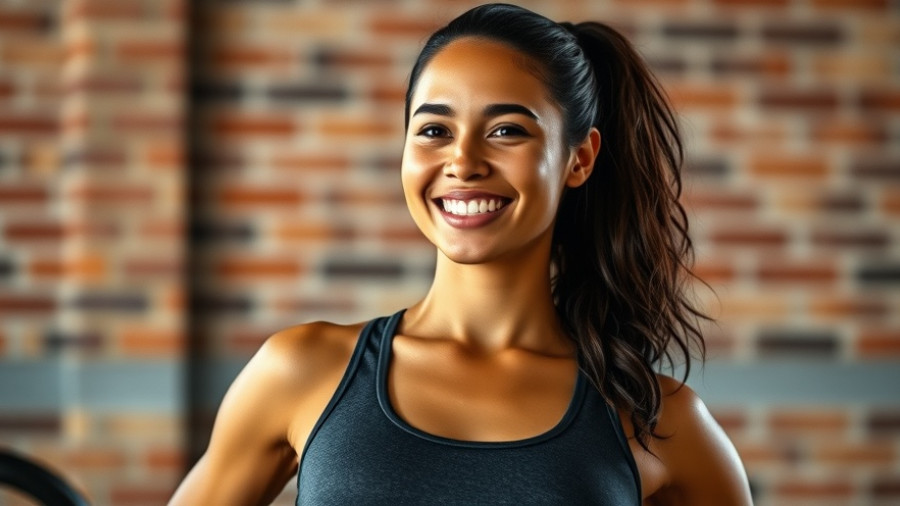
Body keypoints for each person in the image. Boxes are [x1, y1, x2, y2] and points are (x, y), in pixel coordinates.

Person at [170, 3, 753, 504]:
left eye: (506, 131)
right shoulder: (300, 371)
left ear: (580, 158)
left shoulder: (661, 421)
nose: (464, 161)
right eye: (434, 131)